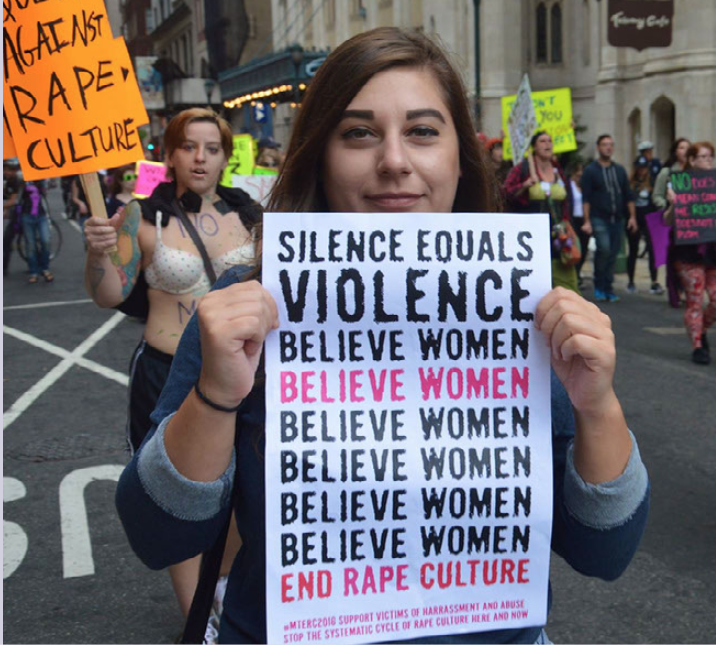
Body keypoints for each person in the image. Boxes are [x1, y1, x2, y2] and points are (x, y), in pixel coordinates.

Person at [114, 27, 649, 645]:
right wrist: (215, 395)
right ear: (319, 153)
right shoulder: (247, 307)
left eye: (422, 130)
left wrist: (597, 404)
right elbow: (157, 536)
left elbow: (604, 553)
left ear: (458, 155)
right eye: (359, 132)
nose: (394, 159)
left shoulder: (524, 312)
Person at [84, 107, 261, 623]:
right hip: (167, 376)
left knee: (236, 494)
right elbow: (110, 293)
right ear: (170, 154)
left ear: (227, 156)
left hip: (243, 377)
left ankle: (221, 594)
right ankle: (196, 621)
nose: (200, 157)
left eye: (212, 147)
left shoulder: (250, 213)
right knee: (181, 499)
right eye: (189, 146)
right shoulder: (144, 216)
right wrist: (99, 255)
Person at [662, 141, 716, 365]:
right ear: (691, 160)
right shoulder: (679, 184)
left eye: (710, 156)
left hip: (715, 250)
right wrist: (673, 205)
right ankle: (698, 345)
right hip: (688, 252)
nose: (708, 161)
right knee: (695, 300)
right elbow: (666, 220)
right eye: (703, 157)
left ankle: (702, 328)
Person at [503, 130, 580, 293]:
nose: (548, 144)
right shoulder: (523, 168)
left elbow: (567, 200)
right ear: (534, 147)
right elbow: (505, 193)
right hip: (531, 236)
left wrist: (568, 223)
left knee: (565, 279)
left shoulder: (557, 170)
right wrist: (524, 185)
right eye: (543, 141)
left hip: (558, 234)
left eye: (550, 141)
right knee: (534, 281)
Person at [581, 134, 637, 303]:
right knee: (603, 249)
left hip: (617, 218)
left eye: (611, 145)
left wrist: (632, 217)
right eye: (605, 145)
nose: (608, 148)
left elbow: (628, 195)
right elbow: (586, 198)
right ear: (598, 147)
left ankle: (608, 287)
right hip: (599, 218)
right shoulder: (591, 171)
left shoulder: (619, 170)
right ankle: (599, 285)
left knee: (613, 253)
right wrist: (586, 220)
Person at [652, 137, 691, 307]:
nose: (685, 151)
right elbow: (657, 195)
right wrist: (666, 205)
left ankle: (687, 289)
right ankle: (675, 291)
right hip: (673, 219)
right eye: (681, 148)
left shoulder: (694, 172)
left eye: (688, 148)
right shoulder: (667, 173)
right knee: (673, 257)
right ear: (676, 151)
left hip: (691, 222)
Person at [627, 158, 660, 295]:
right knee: (633, 250)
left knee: (653, 251)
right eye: (640, 168)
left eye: (644, 168)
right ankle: (631, 281)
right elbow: (628, 201)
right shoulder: (631, 184)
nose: (642, 171)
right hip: (635, 219)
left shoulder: (652, 182)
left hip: (649, 219)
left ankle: (654, 281)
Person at [17, 178, 51, 283]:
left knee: (46, 241)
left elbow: (46, 191)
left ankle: (45, 268)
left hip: (41, 215)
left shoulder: (41, 179)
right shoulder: (21, 179)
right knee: (30, 245)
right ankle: (33, 272)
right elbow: (18, 198)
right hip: (27, 215)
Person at [567, 161, 591, 285]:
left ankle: (578, 271)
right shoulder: (569, 186)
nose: (580, 178)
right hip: (573, 219)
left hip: (584, 219)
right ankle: (575, 274)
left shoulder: (586, 187)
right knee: (575, 247)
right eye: (578, 175)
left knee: (584, 248)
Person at [4, 159, 24, 275]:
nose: (7, 172)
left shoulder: (15, 181)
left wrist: (4, 207)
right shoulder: (5, 179)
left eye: (9, 170)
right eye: (5, 169)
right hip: (7, 211)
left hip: (16, 212)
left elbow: (13, 201)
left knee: (7, 239)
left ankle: (4, 266)